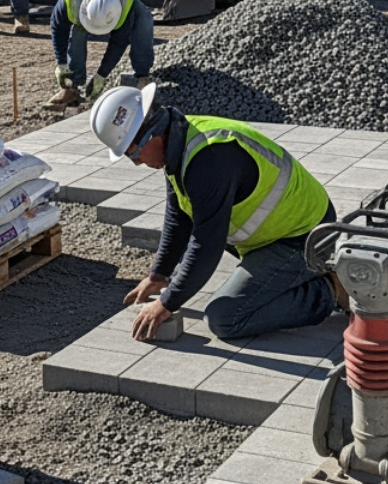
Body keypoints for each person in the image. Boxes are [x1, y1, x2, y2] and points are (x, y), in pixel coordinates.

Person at [87, 84, 346, 341]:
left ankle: (329, 290)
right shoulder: (180, 141)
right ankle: (289, 276)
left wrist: (167, 302)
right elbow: (179, 218)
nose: (135, 162)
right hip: (278, 234)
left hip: (306, 237)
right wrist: (158, 275)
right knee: (229, 281)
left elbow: (206, 243)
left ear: (152, 134)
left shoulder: (210, 159)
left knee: (224, 318)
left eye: (132, 152)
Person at [47, 0, 156, 109]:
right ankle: (71, 87)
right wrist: (61, 64)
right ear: (84, 10)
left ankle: (143, 77)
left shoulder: (124, 4)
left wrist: (101, 75)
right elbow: (58, 27)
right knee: (77, 30)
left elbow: (119, 42)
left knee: (144, 20)